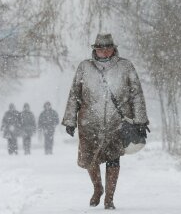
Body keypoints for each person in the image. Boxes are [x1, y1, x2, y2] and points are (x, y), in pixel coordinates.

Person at [62, 33, 149, 209]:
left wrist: (140, 120)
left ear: (114, 48)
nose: (104, 51)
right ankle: (97, 188)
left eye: (107, 48)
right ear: (95, 50)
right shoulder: (84, 67)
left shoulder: (125, 66)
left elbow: (136, 94)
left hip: (115, 123)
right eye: (100, 48)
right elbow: (74, 95)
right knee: (89, 160)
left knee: (113, 160)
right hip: (89, 123)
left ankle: (109, 198)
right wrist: (70, 120)